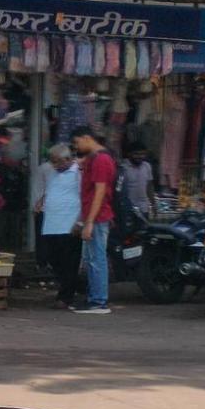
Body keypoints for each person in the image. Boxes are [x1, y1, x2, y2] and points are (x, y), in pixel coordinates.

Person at [70, 127, 118, 314]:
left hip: (98, 217)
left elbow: (99, 192)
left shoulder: (101, 160)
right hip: (94, 216)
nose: (77, 147)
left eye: (77, 142)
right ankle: (94, 298)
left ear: (86, 138)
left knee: (96, 259)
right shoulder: (95, 159)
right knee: (91, 259)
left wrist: (89, 221)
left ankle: (98, 301)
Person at [34, 143, 82, 308]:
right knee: (52, 258)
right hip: (51, 222)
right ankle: (69, 288)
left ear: (68, 159)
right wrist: (40, 202)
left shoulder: (79, 172)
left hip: (70, 223)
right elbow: (48, 190)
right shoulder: (51, 171)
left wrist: (80, 221)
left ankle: (66, 296)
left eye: (58, 162)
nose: (55, 165)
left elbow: (85, 197)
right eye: (53, 162)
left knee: (69, 261)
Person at [121, 144, 155, 217]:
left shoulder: (147, 166)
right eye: (136, 154)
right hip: (128, 209)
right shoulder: (123, 167)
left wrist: (153, 204)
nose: (139, 156)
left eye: (142, 154)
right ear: (129, 154)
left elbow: (149, 186)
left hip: (143, 208)